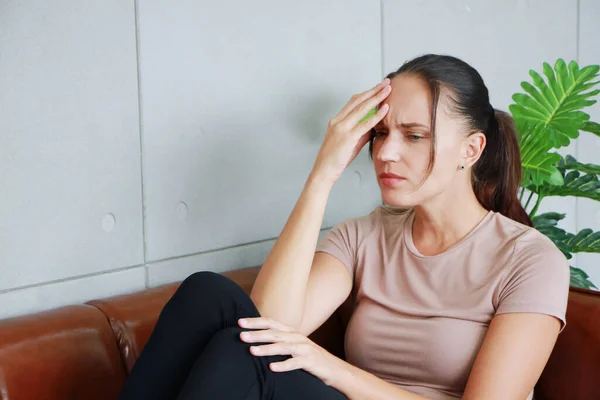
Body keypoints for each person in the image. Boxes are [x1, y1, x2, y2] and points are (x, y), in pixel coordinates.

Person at [118, 54, 570, 400]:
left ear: (471, 150)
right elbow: (268, 325)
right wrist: (322, 176)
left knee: (245, 352)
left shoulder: (530, 260)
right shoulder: (365, 235)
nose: (387, 153)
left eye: (414, 136)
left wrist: (331, 367)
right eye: (380, 133)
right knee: (208, 294)